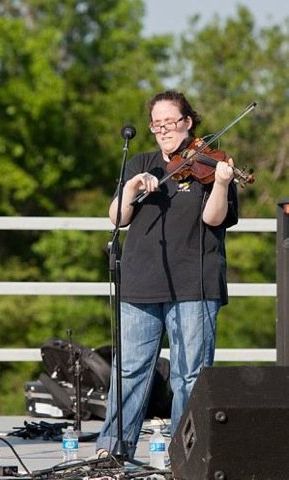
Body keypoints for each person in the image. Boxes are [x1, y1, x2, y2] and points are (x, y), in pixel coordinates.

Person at [95, 90, 239, 459]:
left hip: (195, 283)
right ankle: (112, 451)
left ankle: (184, 454)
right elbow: (118, 218)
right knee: (127, 373)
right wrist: (130, 187)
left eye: (170, 122)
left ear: (188, 122)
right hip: (141, 281)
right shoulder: (141, 162)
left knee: (189, 376)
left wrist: (221, 183)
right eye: (156, 125)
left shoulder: (212, 163)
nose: (163, 131)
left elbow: (214, 219)